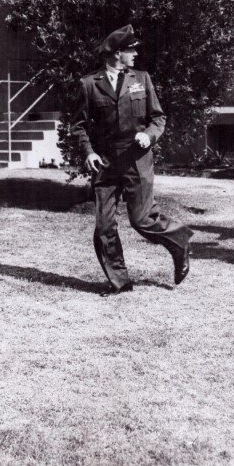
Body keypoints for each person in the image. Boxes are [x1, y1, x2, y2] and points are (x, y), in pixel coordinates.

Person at [70, 24, 193, 295]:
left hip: (137, 159)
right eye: (131, 50)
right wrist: (88, 152)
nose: (135, 54)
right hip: (105, 162)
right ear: (117, 53)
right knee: (104, 226)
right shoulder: (89, 84)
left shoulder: (142, 79)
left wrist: (149, 136)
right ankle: (120, 282)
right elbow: (78, 126)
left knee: (142, 220)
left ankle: (180, 240)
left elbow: (158, 118)